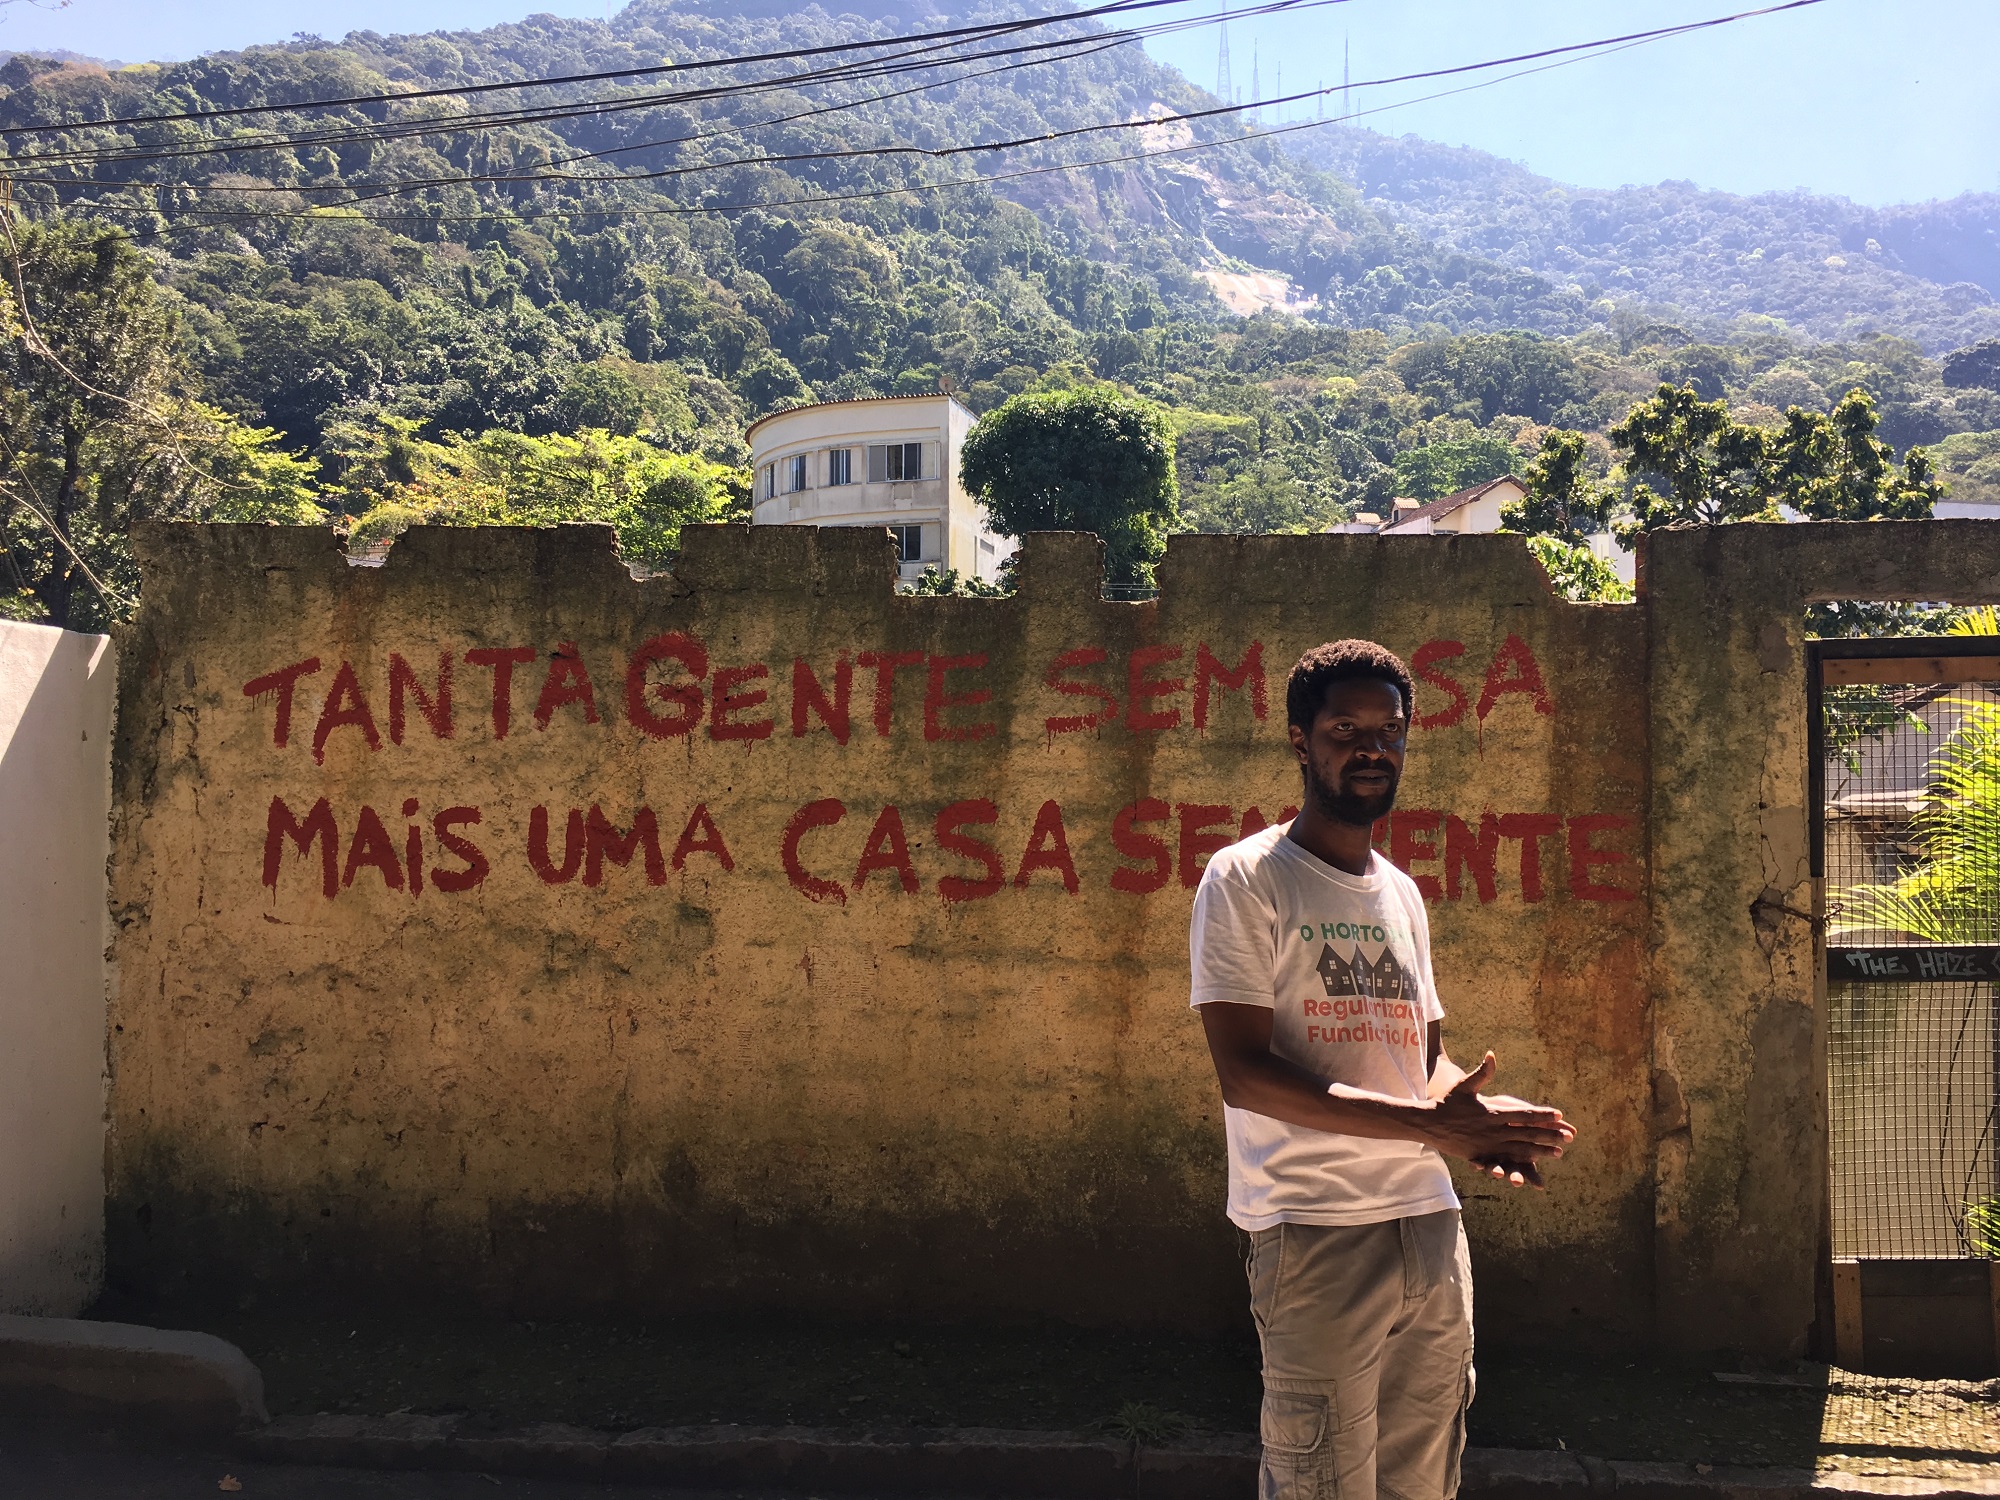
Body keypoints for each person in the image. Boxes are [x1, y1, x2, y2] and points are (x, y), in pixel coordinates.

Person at [1190, 639, 1575, 1500]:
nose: (1372, 749)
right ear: (1301, 740)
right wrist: (1433, 1126)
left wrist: (1481, 1121)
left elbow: (1422, 1061)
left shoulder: (1400, 892)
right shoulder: (1246, 878)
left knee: (1423, 1486)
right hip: (1314, 1232)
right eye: (1346, 730)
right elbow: (1244, 1075)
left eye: (1390, 731)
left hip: (1430, 1231)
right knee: (1319, 1483)